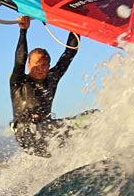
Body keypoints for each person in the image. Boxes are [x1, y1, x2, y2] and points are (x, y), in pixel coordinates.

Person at [9, 16, 81, 157]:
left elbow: (69, 54)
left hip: (47, 133)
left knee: (92, 118)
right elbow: (19, 61)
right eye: (37, 64)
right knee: (57, 127)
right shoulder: (19, 82)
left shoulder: (52, 78)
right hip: (27, 133)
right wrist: (23, 32)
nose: (42, 68)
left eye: (45, 65)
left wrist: (76, 27)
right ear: (29, 65)